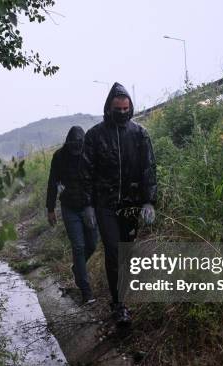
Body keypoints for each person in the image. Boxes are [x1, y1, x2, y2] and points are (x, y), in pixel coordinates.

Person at [81, 82, 157, 325]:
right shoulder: (94, 136)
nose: (122, 112)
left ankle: (122, 294)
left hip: (132, 204)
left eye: (126, 108)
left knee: (125, 253)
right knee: (113, 251)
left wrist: (149, 202)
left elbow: (149, 169)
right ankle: (119, 305)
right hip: (105, 205)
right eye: (118, 108)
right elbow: (86, 174)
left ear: (130, 108)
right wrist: (87, 205)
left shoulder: (140, 134)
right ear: (109, 107)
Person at [46, 126, 99, 305]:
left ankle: (78, 268)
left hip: (88, 207)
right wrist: (50, 209)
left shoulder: (90, 153)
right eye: (73, 147)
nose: (76, 150)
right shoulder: (59, 156)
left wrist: (96, 205)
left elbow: (98, 180)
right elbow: (53, 183)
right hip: (69, 208)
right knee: (78, 246)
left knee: (92, 244)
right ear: (68, 144)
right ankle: (86, 291)